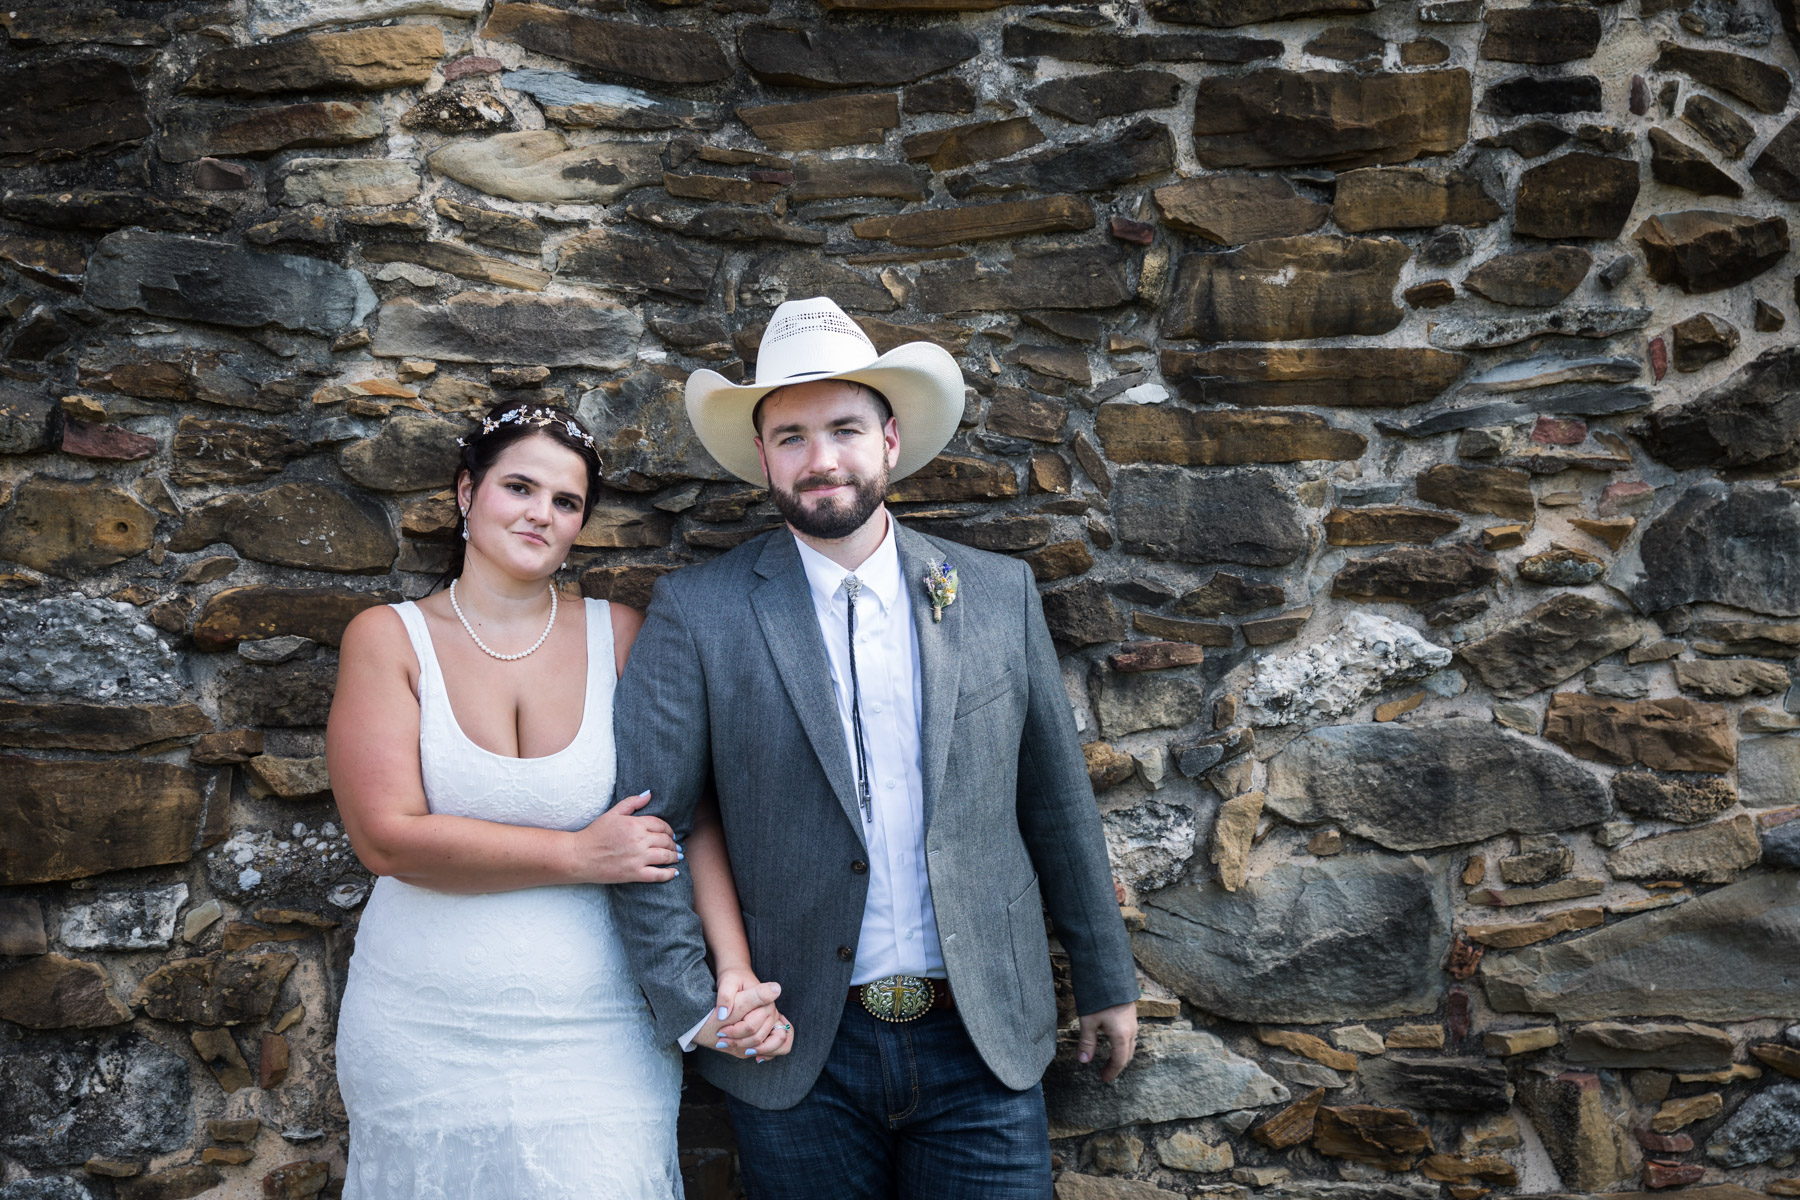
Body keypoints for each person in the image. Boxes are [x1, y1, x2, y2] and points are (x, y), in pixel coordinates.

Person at [608, 297, 1140, 1198]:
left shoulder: (994, 591)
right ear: (763, 458)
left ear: (890, 440)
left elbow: (1054, 800)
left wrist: (1105, 975)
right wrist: (701, 1007)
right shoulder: (699, 613)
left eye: (845, 429)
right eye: (791, 437)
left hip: (980, 1037)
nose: (821, 461)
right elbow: (646, 830)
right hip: (798, 1048)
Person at [325, 400, 790, 1200]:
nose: (541, 513)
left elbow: (688, 819)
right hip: (422, 1026)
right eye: (519, 487)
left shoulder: (623, 636)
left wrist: (734, 971)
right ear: (468, 493)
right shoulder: (386, 638)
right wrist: (578, 854)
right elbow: (387, 839)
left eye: (567, 501)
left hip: (598, 1026)